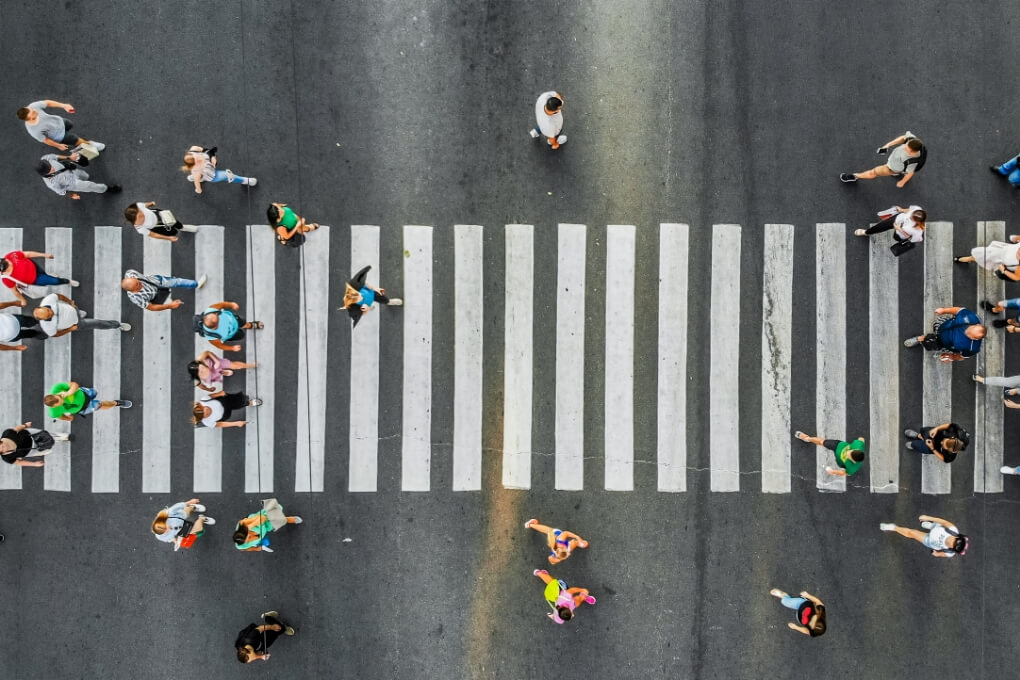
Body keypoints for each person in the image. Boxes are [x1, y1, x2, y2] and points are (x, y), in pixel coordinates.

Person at [840, 131, 926, 187]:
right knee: (901, 170)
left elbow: (910, 173)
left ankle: (855, 176)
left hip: (892, 167)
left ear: (911, 151)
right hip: (898, 164)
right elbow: (904, 138)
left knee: (873, 172)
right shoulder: (913, 141)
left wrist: (902, 182)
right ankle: (898, 172)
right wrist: (888, 145)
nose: (904, 146)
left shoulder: (912, 161)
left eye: (906, 147)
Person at [903, 306, 984, 362]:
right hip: (942, 325)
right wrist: (943, 310)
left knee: (930, 342)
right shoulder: (971, 317)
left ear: (975, 339)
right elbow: (958, 310)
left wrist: (952, 357)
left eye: (968, 333)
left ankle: (921, 339)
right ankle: (927, 336)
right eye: (969, 328)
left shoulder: (972, 348)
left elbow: (962, 356)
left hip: (944, 343)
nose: (965, 330)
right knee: (936, 326)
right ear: (977, 324)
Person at [17, 99, 104, 151]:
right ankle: (89, 144)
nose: (34, 110)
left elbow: (48, 103)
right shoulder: (34, 131)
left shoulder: (32, 107)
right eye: (33, 113)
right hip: (59, 136)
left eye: (32, 110)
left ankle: (79, 142)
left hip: (60, 121)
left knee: (70, 124)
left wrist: (64, 105)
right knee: (75, 140)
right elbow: (46, 140)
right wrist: (58, 146)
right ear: (30, 119)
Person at [33, 292, 130, 336]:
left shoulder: (48, 300)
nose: (52, 313)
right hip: (76, 324)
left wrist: (70, 302)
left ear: (43, 306)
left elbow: (59, 296)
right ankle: (117, 325)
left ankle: (79, 313)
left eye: (49, 311)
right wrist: (70, 329)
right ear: (43, 320)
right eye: (49, 316)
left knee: (80, 313)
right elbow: (56, 334)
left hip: (73, 310)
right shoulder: (47, 327)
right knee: (97, 323)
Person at [1, 250, 77, 305]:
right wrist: (22, 299)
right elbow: (15, 291)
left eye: (7, 261)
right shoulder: (6, 278)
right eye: (8, 264)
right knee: (55, 281)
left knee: (46, 276)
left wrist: (44, 255)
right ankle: (67, 281)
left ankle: (49, 277)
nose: (10, 262)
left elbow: (28, 254)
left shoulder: (10, 256)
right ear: (3, 271)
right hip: (35, 279)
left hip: (34, 267)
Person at [36, 153, 120, 200]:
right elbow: (61, 191)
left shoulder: (45, 158)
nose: (52, 168)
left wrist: (69, 157)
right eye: (50, 170)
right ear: (45, 174)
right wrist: (72, 195)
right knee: (90, 186)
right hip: (74, 184)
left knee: (86, 176)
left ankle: (86, 179)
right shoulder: (51, 184)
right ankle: (107, 189)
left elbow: (56, 157)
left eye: (50, 166)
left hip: (72, 171)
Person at [232, 498, 303, 553]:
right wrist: (260, 548)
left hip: (263, 523)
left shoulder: (243, 523)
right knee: (267, 540)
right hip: (263, 531)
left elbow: (263, 518)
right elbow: (247, 549)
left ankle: (292, 519)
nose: (251, 538)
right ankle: (270, 508)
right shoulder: (241, 546)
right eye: (248, 540)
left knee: (279, 517)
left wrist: (251, 526)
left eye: (249, 536)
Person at [880, 515, 968, 558]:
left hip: (929, 540)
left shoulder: (949, 553)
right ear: (957, 537)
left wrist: (936, 554)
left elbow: (940, 554)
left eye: (953, 545)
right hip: (936, 528)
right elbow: (941, 521)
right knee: (932, 524)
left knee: (912, 533)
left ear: (953, 549)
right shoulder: (953, 529)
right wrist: (928, 518)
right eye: (955, 540)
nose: (952, 541)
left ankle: (893, 527)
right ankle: (930, 525)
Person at [121, 269, 206, 312]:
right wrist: (170, 305)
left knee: (177, 281)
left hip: (158, 281)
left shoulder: (131, 274)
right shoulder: (137, 298)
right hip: (158, 296)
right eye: (138, 285)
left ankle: (196, 284)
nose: (140, 282)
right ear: (134, 291)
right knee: (169, 300)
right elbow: (151, 307)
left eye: (137, 280)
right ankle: (170, 299)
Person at [181, 145, 256, 194]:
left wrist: (212, 157)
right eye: (199, 161)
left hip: (208, 168)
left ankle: (197, 178)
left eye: (198, 157)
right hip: (212, 175)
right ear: (194, 165)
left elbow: (206, 150)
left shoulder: (194, 149)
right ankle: (245, 180)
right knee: (228, 175)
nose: (201, 158)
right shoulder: (196, 171)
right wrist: (198, 190)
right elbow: (197, 186)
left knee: (199, 176)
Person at [44, 381, 131, 420]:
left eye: (60, 399)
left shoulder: (56, 388)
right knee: (100, 404)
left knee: (95, 392)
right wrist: (67, 418)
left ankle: (113, 403)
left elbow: (74, 384)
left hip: (85, 393)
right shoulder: (53, 412)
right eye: (60, 404)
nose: (62, 401)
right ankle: (116, 403)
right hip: (83, 408)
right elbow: (60, 416)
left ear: (54, 394)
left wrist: (69, 393)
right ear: (54, 407)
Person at [194, 302, 262, 352]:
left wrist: (231, 305)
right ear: (215, 327)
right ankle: (246, 327)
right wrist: (232, 348)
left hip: (234, 319)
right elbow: (220, 346)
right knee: (241, 335)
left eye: (217, 315)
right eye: (218, 320)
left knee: (243, 323)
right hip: (232, 335)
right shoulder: (211, 337)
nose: (219, 316)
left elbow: (222, 305)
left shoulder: (211, 310)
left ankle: (251, 325)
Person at [793, 431, 865, 477]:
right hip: (838, 445)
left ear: (853, 461)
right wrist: (861, 441)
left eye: (848, 455)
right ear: (856, 449)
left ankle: (808, 439)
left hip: (839, 460)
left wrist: (833, 472)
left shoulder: (852, 468)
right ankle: (807, 438)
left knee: (823, 442)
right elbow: (861, 439)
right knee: (822, 442)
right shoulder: (858, 446)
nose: (847, 452)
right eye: (850, 450)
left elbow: (845, 473)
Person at [150, 499, 215, 551]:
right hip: (180, 529)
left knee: (187, 512)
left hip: (181, 516)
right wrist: (175, 541)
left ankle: (193, 507)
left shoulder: (168, 514)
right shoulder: (160, 537)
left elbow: (178, 506)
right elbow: (169, 538)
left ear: (163, 522)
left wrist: (189, 502)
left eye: (167, 527)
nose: (169, 529)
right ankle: (201, 518)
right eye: (166, 531)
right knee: (199, 529)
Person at [0, 421, 66, 468]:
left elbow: (16, 429)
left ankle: (60, 437)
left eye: (2, 446)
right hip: (31, 451)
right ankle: (49, 445)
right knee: (46, 449)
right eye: (2, 450)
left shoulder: (7, 434)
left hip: (31, 435)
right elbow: (19, 462)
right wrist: (34, 464)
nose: (5, 448)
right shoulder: (7, 458)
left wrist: (25, 425)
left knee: (47, 435)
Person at [954, 235, 1020, 281]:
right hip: (999, 251)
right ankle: (996, 270)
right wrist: (1014, 239)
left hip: (999, 258)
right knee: (981, 257)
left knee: (977, 256)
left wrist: (1004, 271)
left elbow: (1017, 277)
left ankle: (964, 259)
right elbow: (1016, 239)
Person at [524, 518, 589, 564]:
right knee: (547, 531)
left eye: (568, 554)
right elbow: (551, 559)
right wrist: (556, 561)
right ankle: (531, 525)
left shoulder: (560, 540)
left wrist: (577, 537)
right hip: (554, 542)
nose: (569, 555)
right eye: (567, 555)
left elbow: (566, 533)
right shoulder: (558, 553)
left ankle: (531, 524)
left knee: (549, 531)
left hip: (557, 534)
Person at [124, 202, 199, 242]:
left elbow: (145, 205)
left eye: (141, 213)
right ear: (134, 222)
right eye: (140, 217)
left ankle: (183, 227)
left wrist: (151, 203)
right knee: (172, 232)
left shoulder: (138, 206)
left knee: (174, 221)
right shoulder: (140, 228)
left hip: (160, 214)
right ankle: (175, 231)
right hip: (157, 227)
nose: (143, 216)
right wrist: (168, 238)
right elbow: (153, 234)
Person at [853, 205, 926, 244]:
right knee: (880, 226)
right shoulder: (917, 209)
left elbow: (910, 238)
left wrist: (898, 229)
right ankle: (866, 232)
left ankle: (867, 232)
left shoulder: (917, 230)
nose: (910, 216)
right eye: (912, 214)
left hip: (899, 233)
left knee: (895, 237)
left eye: (912, 218)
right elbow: (909, 210)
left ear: (917, 222)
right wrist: (901, 210)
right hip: (896, 220)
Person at [188, 351, 256, 393]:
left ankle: (250, 365)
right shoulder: (197, 379)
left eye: (202, 367)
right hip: (212, 374)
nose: (204, 370)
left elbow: (207, 352)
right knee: (217, 374)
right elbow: (201, 386)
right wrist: (208, 389)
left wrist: (216, 361)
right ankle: (222, 372)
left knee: (235, 366)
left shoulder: (200, 359)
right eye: (201, 372)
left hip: (214, 364)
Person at [192, 391, 262, 428]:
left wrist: (220, 393)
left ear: (202, 406)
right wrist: (236, 423)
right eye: (207, 414)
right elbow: (221, 424)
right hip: (225, 414)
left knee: (237, 402)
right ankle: (245, 402)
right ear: (204, 418)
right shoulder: (207, 422)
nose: (208, 411)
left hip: (223, 401)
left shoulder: (203, 400)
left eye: (205, 409)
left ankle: (249, 403)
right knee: (236, 404)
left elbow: (213, 395)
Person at [902, 423, 969, 462]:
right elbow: (949, 425)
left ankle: (913, 445)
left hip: (934, 448)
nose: (941, 443)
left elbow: (943, 458)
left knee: (917, 445)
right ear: (952, 437)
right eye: (944, 441)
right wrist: (936, 429)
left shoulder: (950, 457)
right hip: (937, 434)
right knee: (924, 433)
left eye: (943, 446)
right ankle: (917, 435)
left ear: (951, 451)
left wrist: (932, 449)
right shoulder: (955, 431)